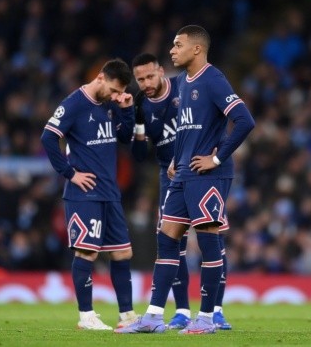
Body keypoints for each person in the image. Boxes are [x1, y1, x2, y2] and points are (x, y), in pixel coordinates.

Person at [116, 25, 255, 334]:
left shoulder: (213, 79)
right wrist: (178, 158)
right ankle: (153, 316)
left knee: (208, 244)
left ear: (196, 49)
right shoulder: (183, 84)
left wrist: (217, 158)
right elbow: (187, 128)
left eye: (177, 45)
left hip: (207, 174)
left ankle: (207, 318)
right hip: (182, 173)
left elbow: (244, 120)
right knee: (167, 240)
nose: (171, 50)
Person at [130, 53, 232, 330]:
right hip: (169, 175)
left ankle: (216, 311)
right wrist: (137, 123)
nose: (146, 83)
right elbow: (139, 154)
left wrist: (215, 155)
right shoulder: (141, 104)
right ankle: (182, 312)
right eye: (140, 79)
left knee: (212, 236)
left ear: (161, 71)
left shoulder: (184, 87)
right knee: (171, 240)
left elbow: (214, 120)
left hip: (199, 169)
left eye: (150, 76)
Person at [41, 58, 138, 330]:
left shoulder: (112, 103)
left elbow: (125, 138)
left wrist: (127, 110)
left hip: (110, 192)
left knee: (122, 254)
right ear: (100, 78)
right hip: (84, 194)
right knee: (87, 253)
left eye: (120, 92)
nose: (117, 96)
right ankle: (86, 316)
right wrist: (70, 174)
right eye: (115, 90)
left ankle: (127, 316)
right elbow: (48, 137)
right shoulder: (74, 103)